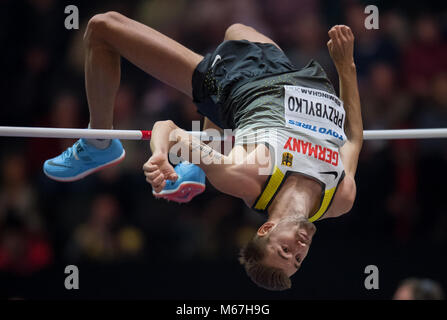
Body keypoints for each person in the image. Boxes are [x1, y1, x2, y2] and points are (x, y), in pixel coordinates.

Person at [43, 12, 363, 290]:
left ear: (266, 228)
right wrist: (345, 65)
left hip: (235, 80)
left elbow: (168, 129)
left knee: (102, 27)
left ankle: (99, 142)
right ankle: (204, 152)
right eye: (297, 261)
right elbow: (353, 139)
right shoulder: (340, 199)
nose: (298, 251)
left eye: (284, 252)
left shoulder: (248, 175)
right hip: (291, 74)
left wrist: (159, 155)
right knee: (236, 29)